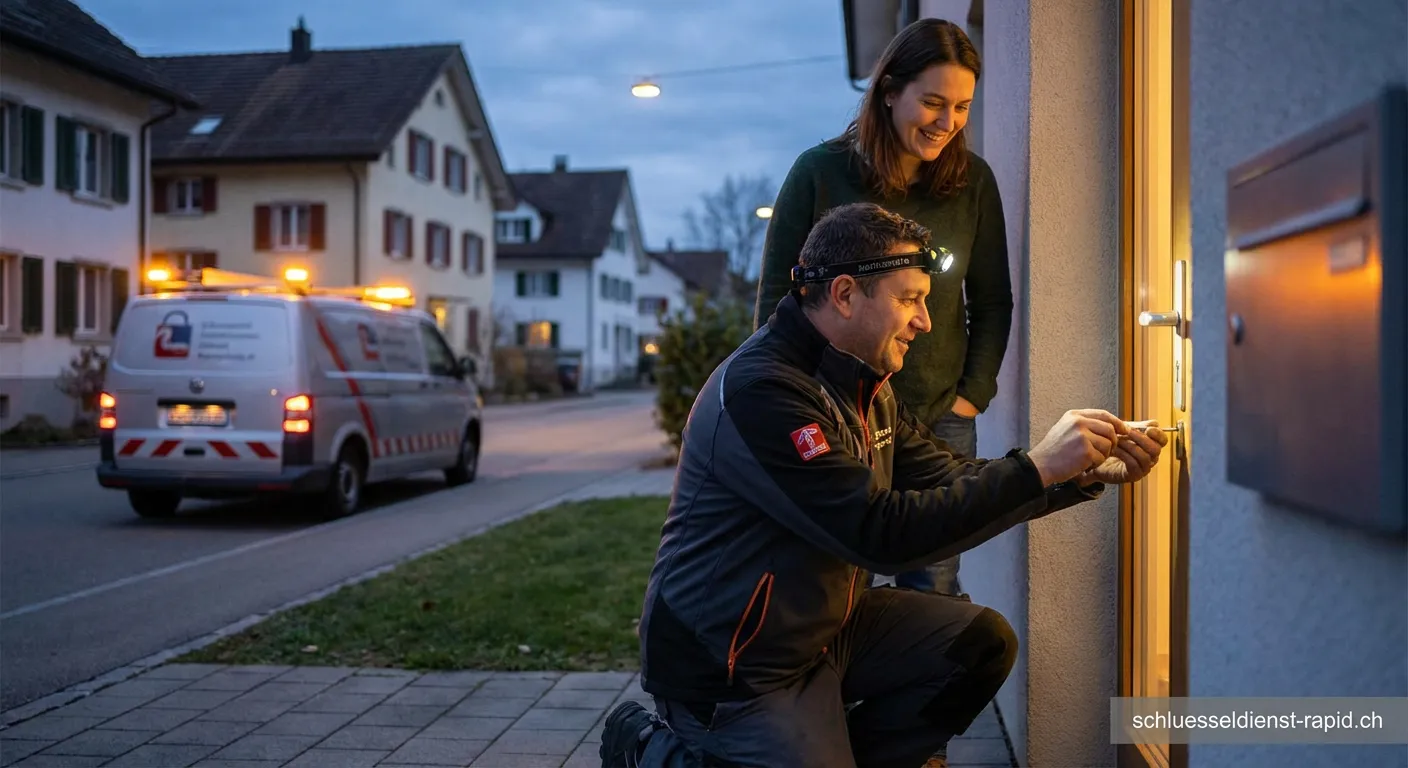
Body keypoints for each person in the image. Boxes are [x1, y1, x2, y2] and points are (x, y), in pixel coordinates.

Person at [601, 203, 1168, 768]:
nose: (925, 320)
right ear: (846, 295)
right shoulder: (764, 392)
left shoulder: (864, 381)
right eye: (909, 299)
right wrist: (1039, 467)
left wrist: (1073, 473)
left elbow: (949, 477)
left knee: (978, 645)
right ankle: (650, 751)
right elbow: (877, 532)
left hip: (826, 631)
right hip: (735, 660)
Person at [752, 19, 1003, 675]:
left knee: (934, 591)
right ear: (888, 91)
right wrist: (781, 402)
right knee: (831, 582)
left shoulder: (972, 183)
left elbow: (994, 299)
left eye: (962, 107)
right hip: (833, 413)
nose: (946, 121)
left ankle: (925, 747)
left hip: (938, 414)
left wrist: (973, 395)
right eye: (932, 101)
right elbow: (776, 301)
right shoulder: (818, 173)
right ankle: (832, 721)